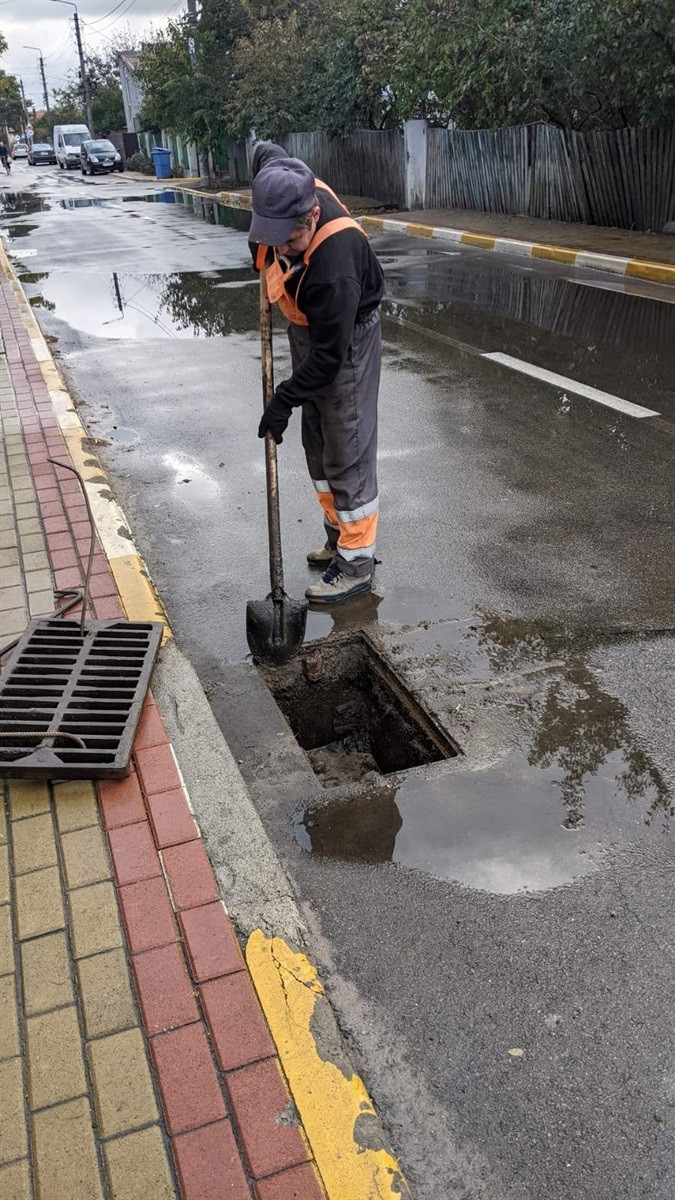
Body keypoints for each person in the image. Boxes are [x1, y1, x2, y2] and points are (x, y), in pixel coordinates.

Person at [250, 157, 384, 605]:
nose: (282, 250)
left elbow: (329, 358)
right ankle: (337, 538)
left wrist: (283, 398)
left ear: (311, 216)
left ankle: (357, 564)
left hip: (345, 341)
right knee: (317, 444)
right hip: (307, 325)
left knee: (346, 445)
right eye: (274, 239)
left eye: (290, 240)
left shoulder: (334, 265)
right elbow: (265, 154)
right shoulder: (282, 187)